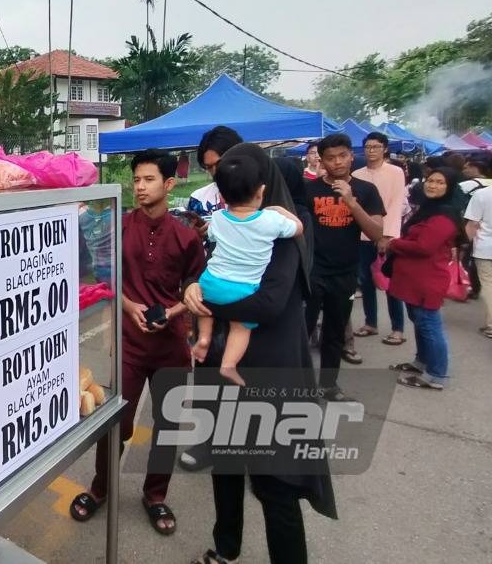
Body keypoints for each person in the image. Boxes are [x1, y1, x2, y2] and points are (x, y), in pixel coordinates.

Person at [185, 142, 336, 564]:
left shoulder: (286, 225)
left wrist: (210, 304)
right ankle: (226, 549)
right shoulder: (230, 222)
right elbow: (217, 268)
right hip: (225, 363)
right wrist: (194, 287)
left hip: (271, 370)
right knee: (226, 470)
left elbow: (269, 303)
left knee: (275, 485)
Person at [70, 149, 206, 535]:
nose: (140, 187)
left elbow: (196, 287)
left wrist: (172, 313)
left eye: (148, 180)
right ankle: (99, 489)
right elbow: (104, 280)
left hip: (171, 346)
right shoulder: (118, 228)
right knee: (116, 424)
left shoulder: (186, 237)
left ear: (169, 183)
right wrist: (130, 307)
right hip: (129, 344)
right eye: (136, 180)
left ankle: (156, 495)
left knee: (168, 426)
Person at [192, 154, 302, 386]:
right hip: (242, 291)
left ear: (222, 196)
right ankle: (229, 364)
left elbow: (210, 236)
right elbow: (298, 229)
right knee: (240, 327)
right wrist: (283, 212)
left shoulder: (219, 217)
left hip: (210, 283)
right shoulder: (271, 220)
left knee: (204, 306)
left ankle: (203, 338)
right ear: (261, 191)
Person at [304, 133, 384, 401]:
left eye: (342, 156)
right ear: (321, 160)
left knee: (335, 332)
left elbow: (375, 233)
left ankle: (329, 385)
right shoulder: (309, 190)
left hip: (345, 272)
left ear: (351, 155)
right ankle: (298, 387)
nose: (337, 162)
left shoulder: (366, 190)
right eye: (330, 158)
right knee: (301, 331)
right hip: (313, 271)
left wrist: (351, 202)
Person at [381, 168, 463, 390]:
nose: (432, 185)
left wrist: (394, 244)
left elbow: (424, 246)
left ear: (450, 187)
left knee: (429, 325)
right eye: (431, 181)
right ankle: (422, 362)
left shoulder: (445, 215)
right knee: (420, 324)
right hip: (413, 280)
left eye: (440, 183)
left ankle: (436, 375)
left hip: (427, 280)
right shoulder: (429, 209)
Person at [350, 133, 407, 348]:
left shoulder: (395, 172)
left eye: (375, 147)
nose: (371, 150)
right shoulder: (357, 174)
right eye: (368, 147)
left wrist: (387, 235)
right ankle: (370, 323)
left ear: (384, 149)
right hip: (362, 234)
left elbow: (396, 205)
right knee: (366, 281)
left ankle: (398, 328)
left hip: (388, 235)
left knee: (391, 282)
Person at [187, 126, 244, 239]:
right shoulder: (198, 199)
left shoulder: (257, 194)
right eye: (208, 167)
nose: (215, 172)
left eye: (219, 164)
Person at [464, 179, 492, 338]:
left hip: (485, 247)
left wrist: (463, 245)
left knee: (488, 285)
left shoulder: (482, 194)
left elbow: (472, 224)